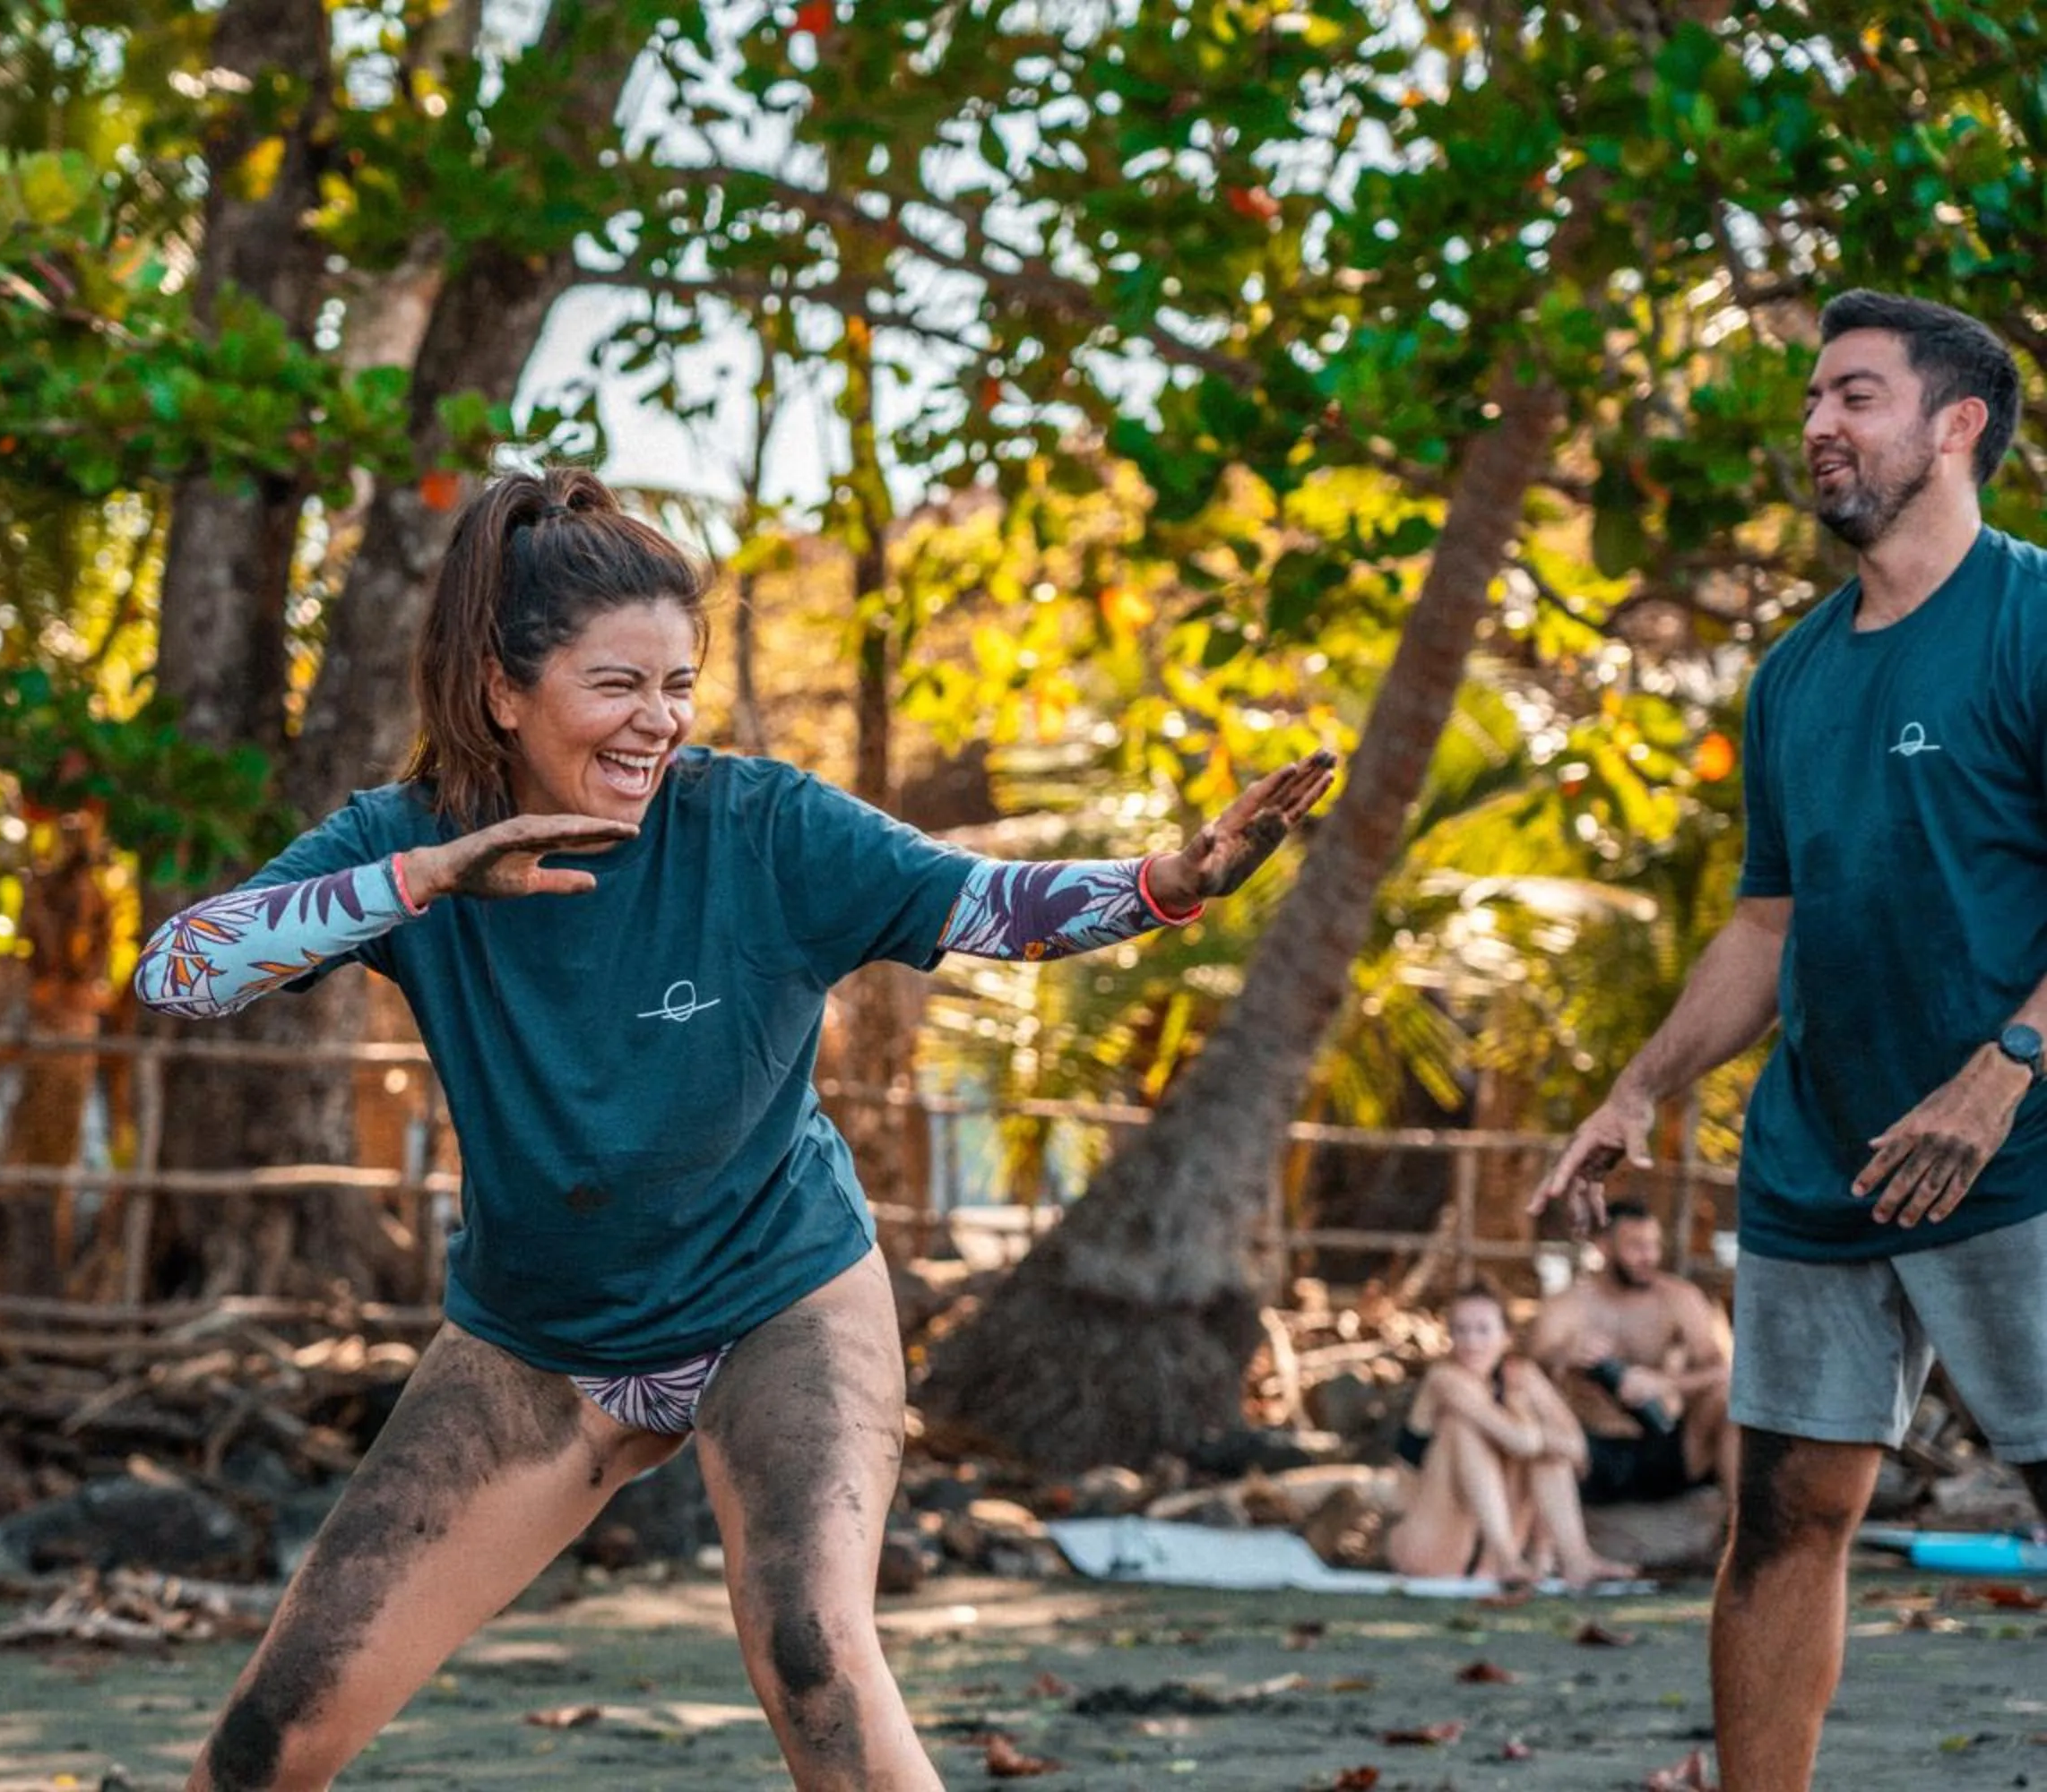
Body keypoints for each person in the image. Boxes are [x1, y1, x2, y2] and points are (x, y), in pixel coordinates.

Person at [133, 467, 1339, 1792]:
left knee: (815, 1653)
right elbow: (181, 971)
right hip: (539, 1340)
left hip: (777, 1298)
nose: (657, 722)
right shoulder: (404, 841)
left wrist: (1165, 886)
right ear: (500, 691)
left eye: (677, 685)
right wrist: (425, 881)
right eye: (616, 686)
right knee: (265, 1745)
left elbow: (985, 901)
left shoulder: (761, 826)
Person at [1534, 290, 2047, 1792]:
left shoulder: (2029, 620)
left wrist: (2005, 1067)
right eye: (1814, 399)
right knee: (1785, 1519)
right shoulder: (1796, 676)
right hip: (1817, 1164)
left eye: (1858, 396)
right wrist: (1636, 1091)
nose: (1817, 424)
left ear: (1957, 426)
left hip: (2016, 1167)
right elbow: (1770, 925)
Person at [1386, 1284, 1633, 1588]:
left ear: (1506, 1337)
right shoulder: (1445, 1380)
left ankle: (1575, 1560)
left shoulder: (1521, 1375)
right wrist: (1522, 1412)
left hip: (1486, 1550)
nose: (1471, 1342)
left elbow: (1576, 1447)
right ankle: (1506, 1559)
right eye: (1461, 1331)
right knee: (1461, 1427)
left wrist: (1532, 1424)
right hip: (1429, 1545)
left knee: (1550, 1452)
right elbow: (1521, 1441)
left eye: (1482, 1330)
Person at [1528, 1201, 1736, 1506]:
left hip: (1663, 1445)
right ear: (1603, 1246)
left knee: (1728, 1398)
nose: (1649, 1256)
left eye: (1654, 1245)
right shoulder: (1567, 1306)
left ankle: (1741, 1529)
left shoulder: (1678, 1298)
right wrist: (1565, 1356)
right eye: (1636, 1246)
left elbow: (1723, 1371)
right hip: (1590, 1450)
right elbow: (1526, 1374)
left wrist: (1662, 1383)